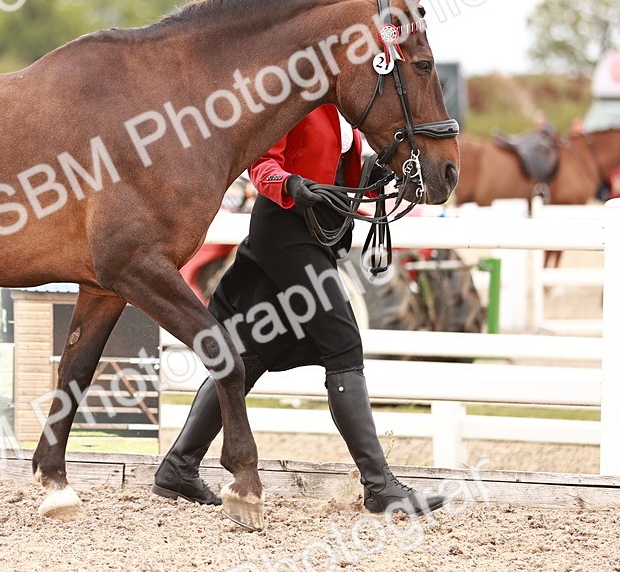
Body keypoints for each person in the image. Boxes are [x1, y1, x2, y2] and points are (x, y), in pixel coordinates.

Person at [153, 104, 447, 514]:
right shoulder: (295, 101)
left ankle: (178, 468)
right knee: (342, 344)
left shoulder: (342, 111)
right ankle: (380, 486)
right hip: (285, 229)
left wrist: (377, 175)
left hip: (316, 233)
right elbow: (262, 165)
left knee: (252, 352)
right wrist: (290, 184)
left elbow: (338, 176)